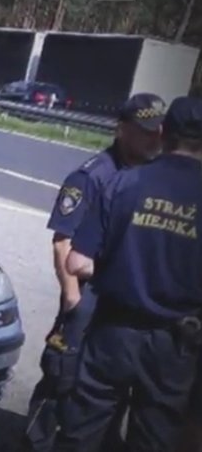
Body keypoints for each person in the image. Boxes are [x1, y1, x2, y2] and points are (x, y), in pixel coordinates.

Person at [54, 95, 202, 452]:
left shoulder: (124, 183)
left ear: (164, 132)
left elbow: (76, 262)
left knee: (83, 428)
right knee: (155, 437)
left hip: (113, 333)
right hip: (177, 343)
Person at [25, 92, 166, 451]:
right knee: (63, 377)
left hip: (122, 299)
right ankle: (37, 443)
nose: (155, 138)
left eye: (158, 130)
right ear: (122, 130)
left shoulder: (151, 177)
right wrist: (73, 301)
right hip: (88, 292)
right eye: (145, 131)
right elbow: (62, 243)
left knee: (106, 388)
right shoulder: (91, 176)